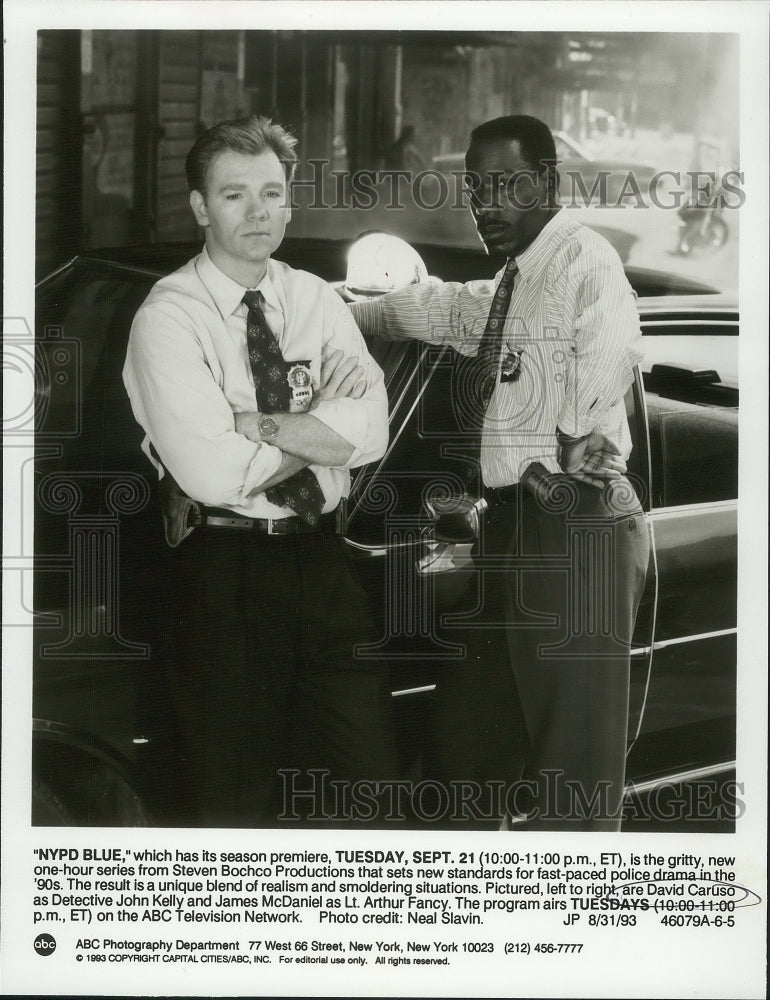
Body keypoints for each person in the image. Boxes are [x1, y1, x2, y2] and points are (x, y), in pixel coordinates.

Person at [350, 114, 650, 831]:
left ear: (548, 181)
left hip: (578, 526)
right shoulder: (514, 283)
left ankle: (566, 926)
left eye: (509, 184)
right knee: (464, 748)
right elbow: (445, 308)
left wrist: (575, 427)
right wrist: (352, 315)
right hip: (510, 529)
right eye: (477, 188)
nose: (488, 204)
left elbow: (613, 344)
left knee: (571, 768)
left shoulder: (584, 258)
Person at [123, 115, 396, 827]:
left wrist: (260, 425)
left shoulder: (313, 298)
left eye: (272, 193)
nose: (258, 213)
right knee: (233, 803)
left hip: (322, 561)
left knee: (370, 787)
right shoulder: (169, 317)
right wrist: (322, 431)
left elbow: (374, 429)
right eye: (235, 195)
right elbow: (215, 473)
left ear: (290, 201)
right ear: (199, 207)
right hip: (223, 575)